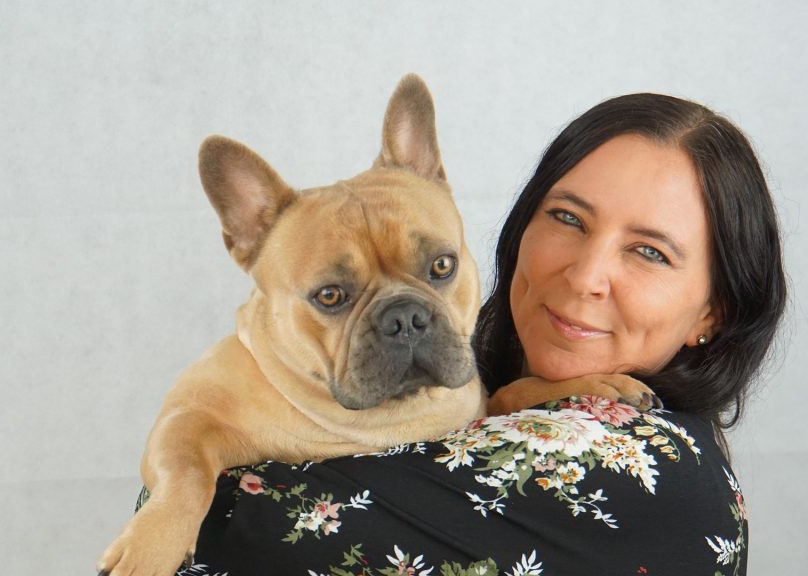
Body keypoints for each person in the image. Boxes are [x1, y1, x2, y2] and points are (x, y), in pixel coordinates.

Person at [165, 94, 786, 576]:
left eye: (649, 252)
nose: (586, 274)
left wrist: (198, 454)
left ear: (716, 311)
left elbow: (240, 523)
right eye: (567, 218)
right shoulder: (507, 405)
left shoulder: (649, 473)